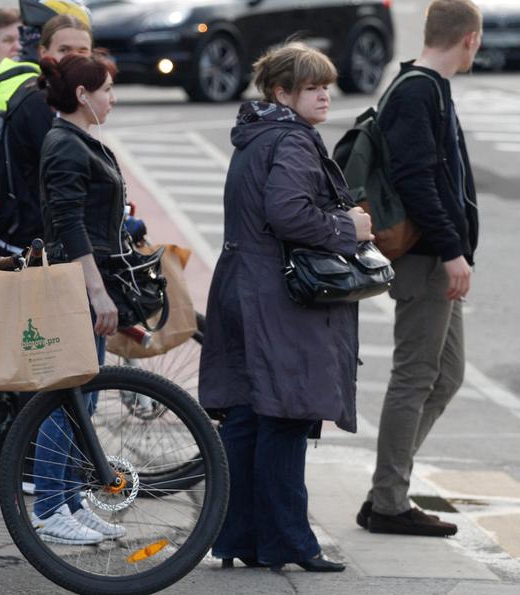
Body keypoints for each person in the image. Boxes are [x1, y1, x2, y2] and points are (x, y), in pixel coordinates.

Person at [198, 42, 373, 571]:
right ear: (281, 92)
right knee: (286, 416)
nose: (325, 95)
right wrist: (350, 228)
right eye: (312, 87)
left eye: (326, 85)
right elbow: (289, 213)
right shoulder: (293, 141)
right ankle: (290, 543)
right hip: (278, 295)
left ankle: (238, 537)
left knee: (250, 415)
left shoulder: (255, 136)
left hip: (242, 285)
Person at [357, 0, 480, 538]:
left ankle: (386, 491)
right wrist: (453, 250)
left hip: (438, 257)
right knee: (413, 378)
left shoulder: (425, 86)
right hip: (429, 259)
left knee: (446, 375)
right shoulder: (417, 91)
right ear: (470, 39)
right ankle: (388, 501)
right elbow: (417, 178)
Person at [0, 10, 93, 478]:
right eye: (65, 51)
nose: (73, 58)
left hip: (37, 239)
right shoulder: (41, 106)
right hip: (35, 243)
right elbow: (62, 191)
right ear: (46, 55)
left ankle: (20, 460)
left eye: (82, 51)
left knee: (35, 360)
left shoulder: (58, 103)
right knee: (44, 365)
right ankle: (35, 475)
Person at [29, 51, 127, 545]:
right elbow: (67, 223)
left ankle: (68, 501)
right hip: (75, 284)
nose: (113, 98)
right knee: (66, 400)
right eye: (106, 89)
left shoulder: (78, 139)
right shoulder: (65, 144)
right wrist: (96, 290)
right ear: (83, 95)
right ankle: (49, 507)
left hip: (83, 280)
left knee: (81, 401)